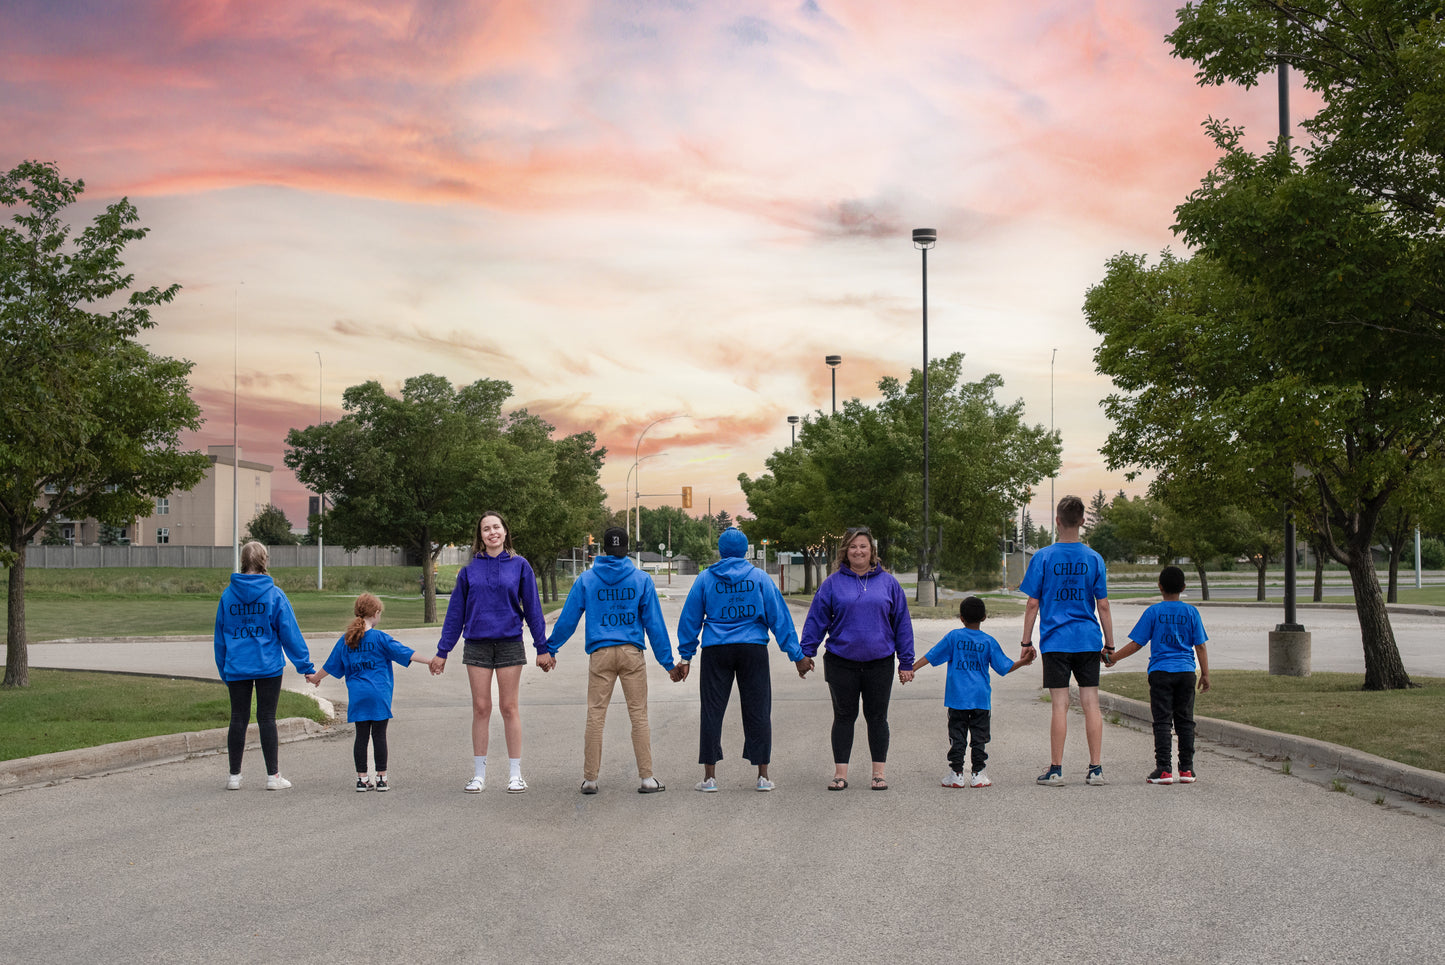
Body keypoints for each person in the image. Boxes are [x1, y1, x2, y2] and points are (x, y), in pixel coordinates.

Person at [541, 527, 679, 795]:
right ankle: (647, 778)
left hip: (601, 653)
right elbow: (654, 624)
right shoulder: (641, 579)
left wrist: (551, 649)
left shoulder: (587, 579)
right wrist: (668, 663)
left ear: (604, 549)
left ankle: (590, 779)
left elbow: (569, 617)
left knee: (595, 715)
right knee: (638, 715)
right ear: (627, 549)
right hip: (631, 653)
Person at [677, 528, 811, 793]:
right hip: (753, 648)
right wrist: (797, 656)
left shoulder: (705, 578)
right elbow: (778, 617)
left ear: (720, 550)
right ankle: (762, 776)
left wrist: (686, 656)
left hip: (717, 649)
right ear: (745, 550)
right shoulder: (759, 577)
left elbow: (690, 618)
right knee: (758, 709)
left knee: (712, 710)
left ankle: (709, 778)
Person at [430, 511, 548, 794]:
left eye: (496, 527)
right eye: (486, 529)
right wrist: (442, 651)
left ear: (505, 532)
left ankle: (515, 774)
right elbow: (455, 614)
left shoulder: (520, 566)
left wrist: (542, 647)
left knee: (509, 707)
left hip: (509, 643)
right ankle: (479, 774)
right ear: (480, 536)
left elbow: (533, 609)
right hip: (477, 645)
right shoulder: (469, 571)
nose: (492, 532)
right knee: (481, 708)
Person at [799, 526, 914, 791]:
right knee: (843, 716)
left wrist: (906, 662)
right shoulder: (832, 584)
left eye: (863, 546)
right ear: (845, 551)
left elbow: (902, 625)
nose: (858, 551)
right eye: (852, 546)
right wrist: (806, 653)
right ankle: (840, 773)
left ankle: (878, 773)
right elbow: (816, 620)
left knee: (877, 717)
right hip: (841, 661)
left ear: (872, 550)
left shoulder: (889, 583)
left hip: (880, 661)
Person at [1018, 494, 1113, 787]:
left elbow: (1033, 604)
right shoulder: (1094, 558)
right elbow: (1104, 606)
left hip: (1056, 641)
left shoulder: (1043, 557)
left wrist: (1025, 643)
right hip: (1087, 639)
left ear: (1057, 521)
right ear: (1083, 521)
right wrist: (1110, 645)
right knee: (1090, 703)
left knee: (1059, 704)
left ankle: (1056, 769)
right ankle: (1095, 769)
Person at [213, 540, 315, 790]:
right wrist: (305, 666)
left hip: (237, 665)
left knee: (238, 718)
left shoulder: (228, 596)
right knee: (267, 717)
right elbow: (289, 632)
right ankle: (273, 776)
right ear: (264, 561)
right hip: (268, 665)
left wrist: (224, 670)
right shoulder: (274, 594)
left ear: (243, 561)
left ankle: (234, 777)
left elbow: (220, 638)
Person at [307, 593, 431, 791]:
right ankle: (381, 778)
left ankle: (362, 779)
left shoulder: (347, 639)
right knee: (379, 736)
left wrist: (315, 678)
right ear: (376, 613)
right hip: (379, 694)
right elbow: (405, 652)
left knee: (361, 736)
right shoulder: (380, 638)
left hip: (358, 695)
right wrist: (430, 661)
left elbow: (330, 665)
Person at [909, 596, 1033, 788]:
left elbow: (931, 655)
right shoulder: (988, 642)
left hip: (957, 698)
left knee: (957, 736)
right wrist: (1024, 662)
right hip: (981, 699)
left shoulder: (954, 637)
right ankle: (978, 774)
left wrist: (912, 669)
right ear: (984, 617)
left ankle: (956, 774)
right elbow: (1004, 668)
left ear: (961, 618)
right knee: (979, 737)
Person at [1103, 565, 1211, 785]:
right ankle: (1187, 770)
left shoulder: (1153, 612)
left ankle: (1163, 769)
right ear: (1183, 587)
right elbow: (1200, 646)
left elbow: (1137, 644)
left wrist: (1113, 658)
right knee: (1185, 721)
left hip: (1161, 672)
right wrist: (1205, 674)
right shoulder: (1191, 612)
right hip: (1186, 672)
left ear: (1160, 586)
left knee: (1162, 721)